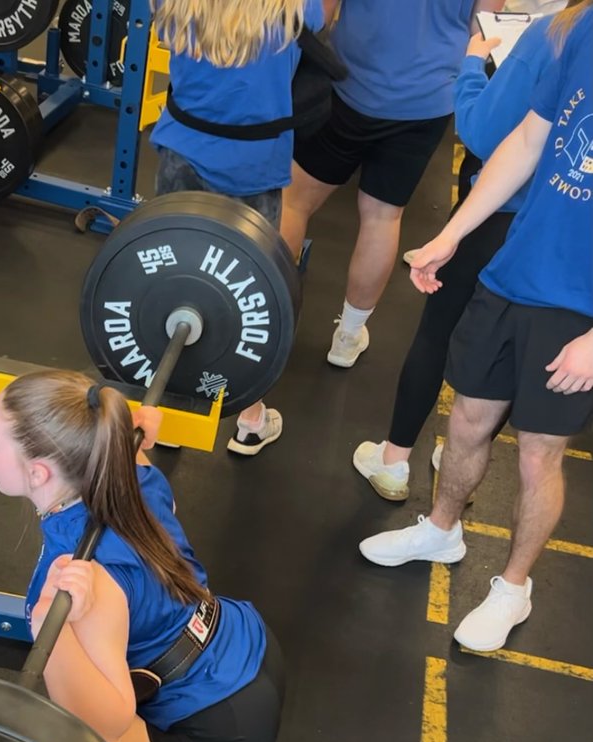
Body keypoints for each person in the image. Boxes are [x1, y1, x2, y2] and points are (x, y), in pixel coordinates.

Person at [359, 7, 593, 653]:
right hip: (515, 270)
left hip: (580, 307)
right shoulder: (581, 28)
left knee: (538, 455)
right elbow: (527, 142)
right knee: (465, 419)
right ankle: (441, 529)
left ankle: (514, 588)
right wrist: (451, 234)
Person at [0, 370, 285, 742]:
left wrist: (51, 626)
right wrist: (135, 442)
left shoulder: (86, 581)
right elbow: (140, 466)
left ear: (38, 472)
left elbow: (106, 722)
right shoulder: (132, 473)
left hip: (217, 731)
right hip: (250, 645)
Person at [281, 0, 502, 370]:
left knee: (294, 202)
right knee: (382, 216)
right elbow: (482, 28)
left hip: (350, 83)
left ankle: (269, 313)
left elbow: (321, 15)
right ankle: (348, 336)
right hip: (426, 99)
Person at [150, 0, 325, 456]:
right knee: (246, 291)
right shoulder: (297, 7)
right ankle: (249, 417)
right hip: (254, 165)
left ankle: (168, 413)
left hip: (183, 152)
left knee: (176, 277)